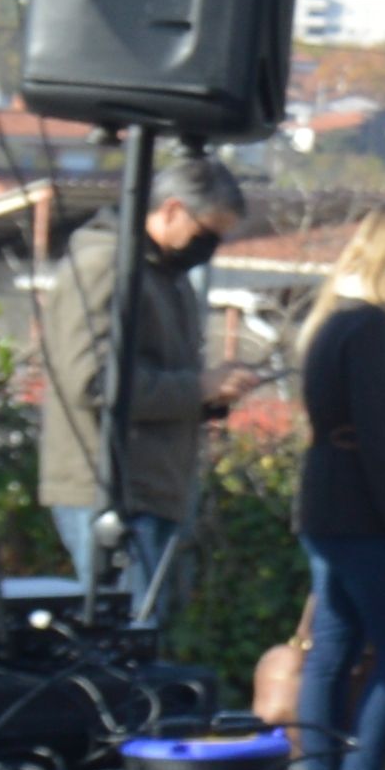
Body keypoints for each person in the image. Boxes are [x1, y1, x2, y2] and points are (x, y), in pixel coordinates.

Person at [29, 145, 243, 603]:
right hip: (110, 488)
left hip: (152, 486)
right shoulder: (106, 266)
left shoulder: (168, 274)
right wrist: (196, 389)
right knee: (124, 631)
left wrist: (210, 394)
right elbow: (91, 380)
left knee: (144, 629)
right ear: (171, 211)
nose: (210, 249)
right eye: (207, 233)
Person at [284, 213, 385, 770]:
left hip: (324, 503)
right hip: (363, 514)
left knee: (332, 648)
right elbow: (382, 442)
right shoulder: (375, 328)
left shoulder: (331, 320)